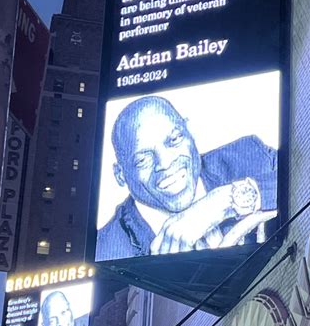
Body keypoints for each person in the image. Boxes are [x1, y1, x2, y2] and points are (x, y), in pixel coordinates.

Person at [96, 95, 278, 260]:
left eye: (174, 139)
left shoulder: (251, 154)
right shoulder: (107, 248)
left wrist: (225, 201)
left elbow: (299, 176)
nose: (165, 163)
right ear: (120, 175)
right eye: (143, 159)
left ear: (189, 131)